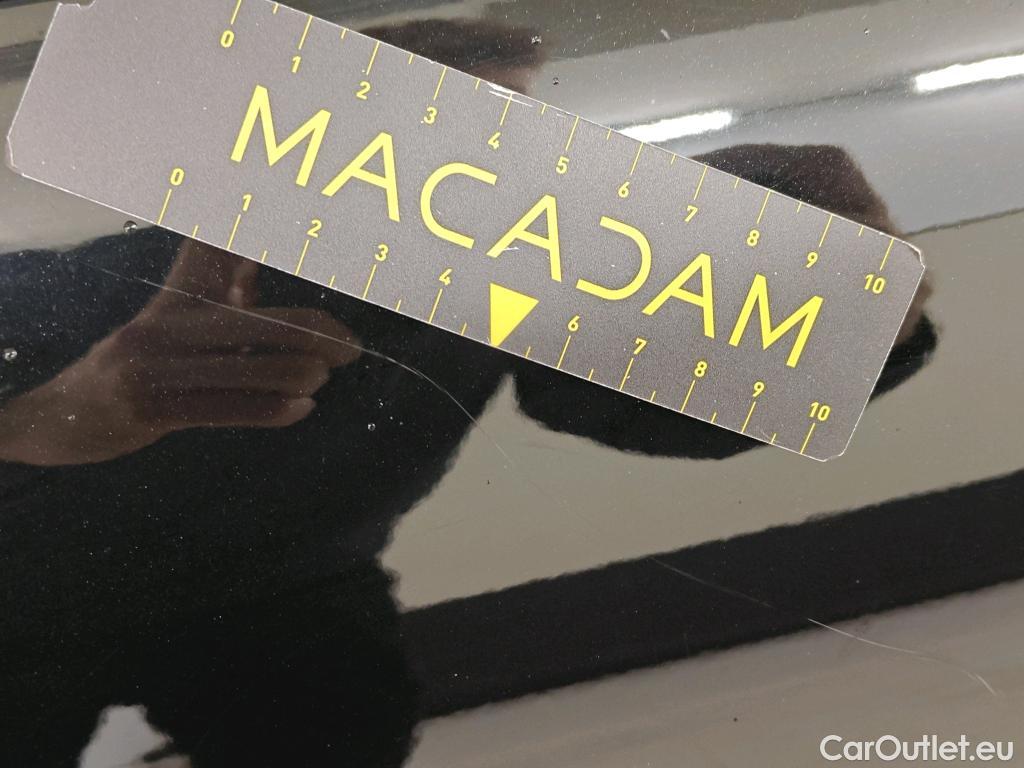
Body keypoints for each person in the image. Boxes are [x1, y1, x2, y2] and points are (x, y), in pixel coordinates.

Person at [0, 21, 933, 768]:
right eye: (454, 140)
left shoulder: (496, 289)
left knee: (345, 736)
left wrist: (853, 333)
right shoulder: (103, 271)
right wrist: (50, 418)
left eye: (521, 143)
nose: (496, 182)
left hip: (292, 592)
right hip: (21, 601)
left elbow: (629, 411)